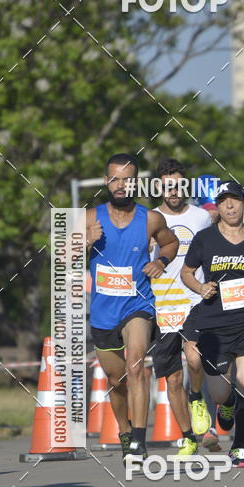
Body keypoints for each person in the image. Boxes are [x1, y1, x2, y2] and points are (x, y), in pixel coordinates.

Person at [181, 180, 244, 467]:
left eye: (235, 200)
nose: (229, 205)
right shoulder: (205, 239)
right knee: (221, 392)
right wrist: (200, 288)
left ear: (243, 204)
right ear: (218, 205)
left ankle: (238, 448)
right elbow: (187, 272)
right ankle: (224, 405)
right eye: (224, 200)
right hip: (214, 325)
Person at [87, 153, 178, 463]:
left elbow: (170, 243)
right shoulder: (89, 217)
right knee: (117, 380)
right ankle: (124, 431)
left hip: (138, 304)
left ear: (136, 183)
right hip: (103, 311)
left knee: (136, 365)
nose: (121, 185)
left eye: (127, 180)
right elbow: (61, 257)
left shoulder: (150, 219)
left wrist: (160, 261)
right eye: (115, 179)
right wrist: (85, 242)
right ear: (106, 181)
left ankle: (139, 440)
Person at [150, 158, 213, 458]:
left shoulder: (202, 217)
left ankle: (197, 395)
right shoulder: (151, 219)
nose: (173, 191)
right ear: (159, 187)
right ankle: (188, 437)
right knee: (173, 378)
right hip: (163, 304)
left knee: (195, 359)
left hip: (195, 301)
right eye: (167, 186)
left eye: (178, 185)